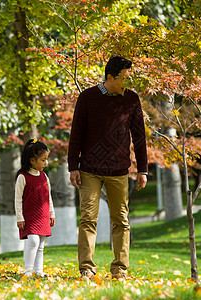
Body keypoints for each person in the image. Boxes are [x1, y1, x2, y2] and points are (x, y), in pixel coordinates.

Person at [67, 56, 148, 280]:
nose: (128, 82)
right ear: (110, 77)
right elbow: (76, 134)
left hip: (119, 170)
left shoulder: (131, 99)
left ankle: (120, 269)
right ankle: (86, 268)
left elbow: (139, 136)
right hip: (90, 169)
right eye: (124, 78)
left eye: (130, 77)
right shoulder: (87, 98)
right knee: (88, 219)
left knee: (121, 220)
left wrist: (143, 169)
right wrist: (73, 166)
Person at [15, 139, 56, 277]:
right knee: (33, 241)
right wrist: (20, 217)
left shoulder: (44, 176)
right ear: (32, 160)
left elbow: (48, 196)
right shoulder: (23, 177)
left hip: (43, 215)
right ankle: (28, 270)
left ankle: (39, 271)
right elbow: (18, 199)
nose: (46, 163)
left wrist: (52, 213)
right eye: (43, 160)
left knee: (41, 245)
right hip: (30, 216)